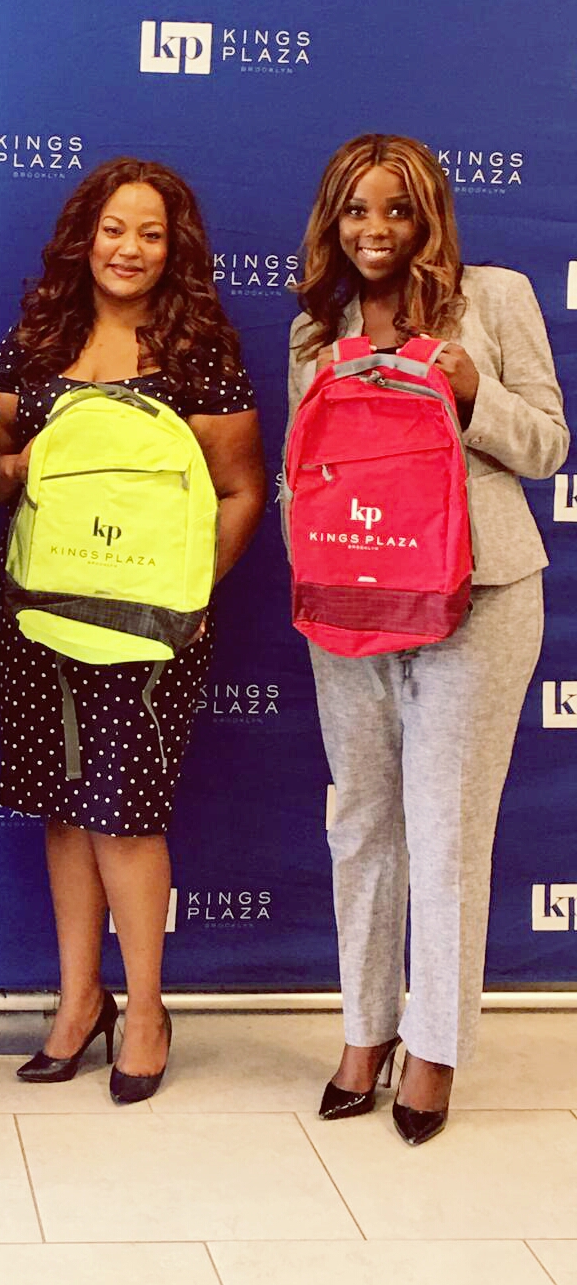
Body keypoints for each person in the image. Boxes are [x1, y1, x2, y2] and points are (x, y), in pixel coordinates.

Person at [288, 133, 568, 1145]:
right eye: (357, 211)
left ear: (429, 216)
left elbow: (546, 443)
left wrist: (469, 394)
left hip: (477, 598)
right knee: (359, 820)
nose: (375, 231)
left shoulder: (493, 298)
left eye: (396, 211)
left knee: (446, 829)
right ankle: (363, 1031)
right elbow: (303, 471)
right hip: (348, 605)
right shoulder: (314, 330)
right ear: (334, 219)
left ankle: (435, 1046)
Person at [0, 158, 266, 1102]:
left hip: (151, 631)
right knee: (64, 807)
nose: (128, 248)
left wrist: (182, 593)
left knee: (126, 817)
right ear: (83, 238)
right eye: (112, 229)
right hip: (42, 616)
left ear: (173, 248)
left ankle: (146, 1009)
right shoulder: (35, 342)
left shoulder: (201, 351)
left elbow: (243, 489)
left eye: (149, 232)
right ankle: (77, 999)